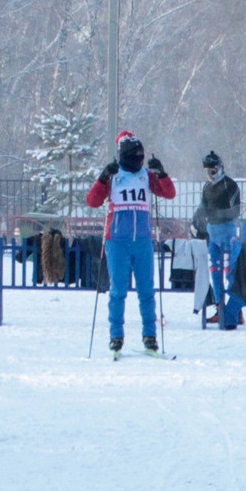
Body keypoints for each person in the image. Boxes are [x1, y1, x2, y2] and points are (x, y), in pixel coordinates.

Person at [86, 131, 175, 354]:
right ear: (125, 155)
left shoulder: (147, 175)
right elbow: (93, 201)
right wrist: (103, 177)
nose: (139, 159)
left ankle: (149, 336)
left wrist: (161, 173)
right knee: (118, 291)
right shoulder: (114, 175)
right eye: (136, 155)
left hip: (143, 241)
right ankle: (116, 336)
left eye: (142, 155)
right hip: (117, 241)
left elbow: (169, 193)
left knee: (147, 291)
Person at [195, 150, 243, 330]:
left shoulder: (229, 185)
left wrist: (215, 214)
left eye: (213, 171)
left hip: (227, 232)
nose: (210, 175)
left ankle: (235, 310)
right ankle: (219, 308)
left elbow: (235, 211)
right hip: (212, 234)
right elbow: (202, 206)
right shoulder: (207, 187)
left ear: (220, 168)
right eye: (207, 172)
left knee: (230, 272)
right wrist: (196, 219)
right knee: (215, 272)